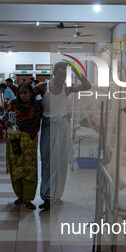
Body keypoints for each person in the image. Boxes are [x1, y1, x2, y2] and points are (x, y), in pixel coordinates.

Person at [34, 61, 91, 209]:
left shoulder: (67, 87)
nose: (62, 78)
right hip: (48, 127)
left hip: (63, 126)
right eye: (60, 74)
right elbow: (25, 97)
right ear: (53, 72)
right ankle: (46, 195)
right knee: (48, 160)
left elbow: (87, 86)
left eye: (65, 75)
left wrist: (77, 73)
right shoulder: (43, 87)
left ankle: (56, 194)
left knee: (61, 161)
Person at [5, 83, 43, 209]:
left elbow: (37, 121)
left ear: (31, 93)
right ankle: (20, 195)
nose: (23, 96)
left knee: (29, 169)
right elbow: (7, 119)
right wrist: (7, 123)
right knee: (16, 167)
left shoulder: (37, 106)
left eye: (25, 92)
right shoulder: (13, 104)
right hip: (15, 140)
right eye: (20, 93)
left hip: (30, 140)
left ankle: (28, 198)